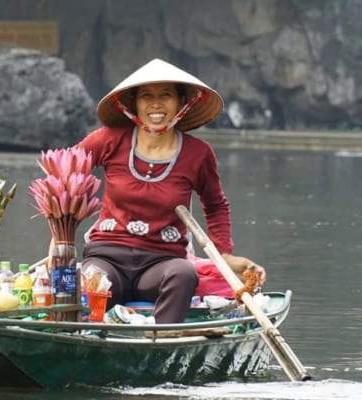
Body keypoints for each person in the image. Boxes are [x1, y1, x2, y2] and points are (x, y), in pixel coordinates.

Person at [74, 58, 266, 324]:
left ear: (181, 103)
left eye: (166, 95)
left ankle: (162, 339)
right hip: (107, 255)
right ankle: (92, 338)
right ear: (134, 104)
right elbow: (65, 174)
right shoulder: (109, 139)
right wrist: (58, 239)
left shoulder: (198, 153)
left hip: (161, 262)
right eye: (146, 96)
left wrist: (225, 254)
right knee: (93, 281)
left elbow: (215, 204)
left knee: (184, 274)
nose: (156, 104)